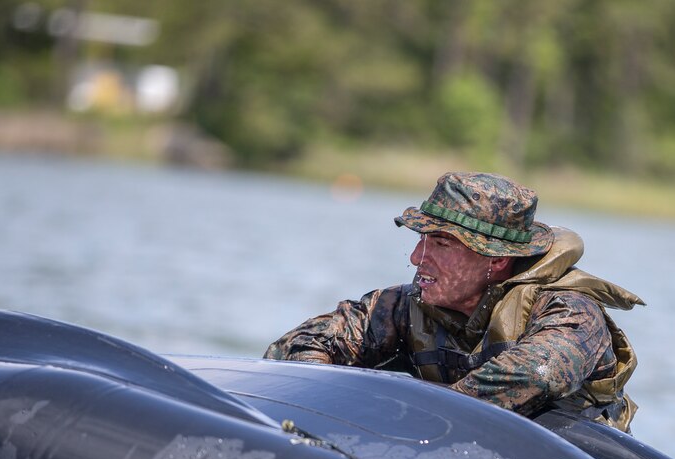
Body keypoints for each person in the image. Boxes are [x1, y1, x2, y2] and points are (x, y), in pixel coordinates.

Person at [264, 171, 644, 431]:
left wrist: (402, 419)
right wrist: (323, 406)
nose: (416, 258)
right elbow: (294, 348)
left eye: (441, 244)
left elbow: (534, 375)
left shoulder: (571, 313)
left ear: (497, 259)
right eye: (420, 240)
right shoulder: (403, 306)